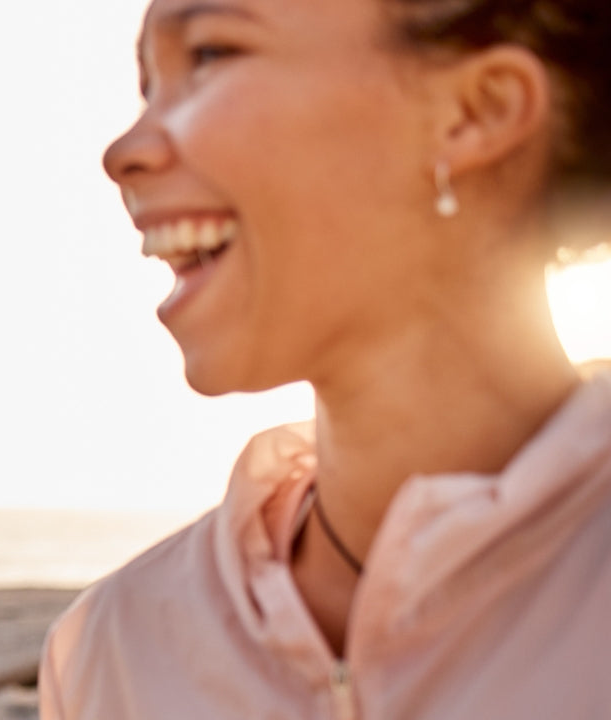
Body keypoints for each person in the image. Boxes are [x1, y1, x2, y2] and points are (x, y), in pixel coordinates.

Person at [36, 0, 611, 718]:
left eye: (211, 55)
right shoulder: (113, 652)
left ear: (477, 111)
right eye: (149, 89)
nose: (123, 152)